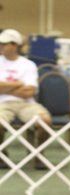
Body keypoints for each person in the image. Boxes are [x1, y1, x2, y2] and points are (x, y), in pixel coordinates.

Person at [0, 28, 51, 169]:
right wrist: (18, 84)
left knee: (45, 121)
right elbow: (24, 88)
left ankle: (38, 155)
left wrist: (5, 87)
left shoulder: (28, 65)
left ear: (15, 45)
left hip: (26, 104)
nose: (1, 46)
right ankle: (1, 154)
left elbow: (29, 92)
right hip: (2, 103)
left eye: (4, 44)